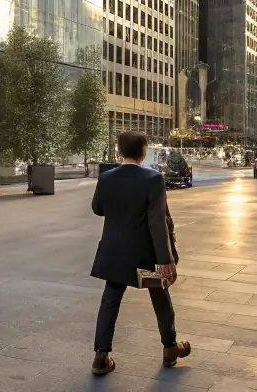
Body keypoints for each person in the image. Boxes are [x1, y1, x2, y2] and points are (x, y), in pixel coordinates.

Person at [89, 130, 191, 377]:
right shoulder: (153, 178)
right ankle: (170, 348)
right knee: (160, 297)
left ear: (119, 150)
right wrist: (164, 259)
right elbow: (157, 221)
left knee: (110, 300)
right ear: (144, 152)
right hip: (145, 254)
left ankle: (101, 356)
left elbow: (98, 208)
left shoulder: (106, 177)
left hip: (115, 252)